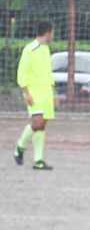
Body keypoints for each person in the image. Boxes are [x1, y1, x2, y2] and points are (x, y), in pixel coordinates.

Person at [13, 21, 56, 170]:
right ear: (47, 33)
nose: (53, 35)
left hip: (46, 93)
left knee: (42, 125)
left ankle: (38, 160)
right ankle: (20, 146)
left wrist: (53, 94)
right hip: (34, 92)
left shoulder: (46, 49)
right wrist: (26, 93)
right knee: (37, 122)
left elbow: (48, 73)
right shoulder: (30, 49)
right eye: (52, 32)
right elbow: (22, 72)